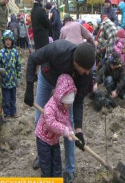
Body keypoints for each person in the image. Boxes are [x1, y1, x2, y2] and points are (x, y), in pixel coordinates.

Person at [24, 40, 95, 183]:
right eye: (85, 69)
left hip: (67, 91)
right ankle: (41, 155)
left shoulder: (85, 74)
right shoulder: (58, 50)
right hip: (48, 78)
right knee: (40, 119)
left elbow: (79, 101)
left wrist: (79, 130)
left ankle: (70, 169)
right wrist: (29, 87)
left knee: (69, 128)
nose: (88, 72)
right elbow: (33, 59)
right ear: (76, 63)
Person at [35, 74, 76, 177]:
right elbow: (51, 124)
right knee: (46, 165)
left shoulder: (64, 108)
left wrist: (70, 131)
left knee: (57, 164)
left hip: (54, 141)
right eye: (68, 104)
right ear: (62, 99)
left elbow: (66, 121)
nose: (69, 106)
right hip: (43, 140)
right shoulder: (50, 107)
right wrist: (64, 130)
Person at [0, 30, 21, 118]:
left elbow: (18, 66)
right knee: (6, 98)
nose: (8, 42)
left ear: (12, 41)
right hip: (5, 80)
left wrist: (18, 77)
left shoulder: (15, 52)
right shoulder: (1, 52)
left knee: (13, 98)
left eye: (9, 40)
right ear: (4, 41)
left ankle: (13, 111)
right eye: (6, 40)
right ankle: (6, 112)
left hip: (13, 80)